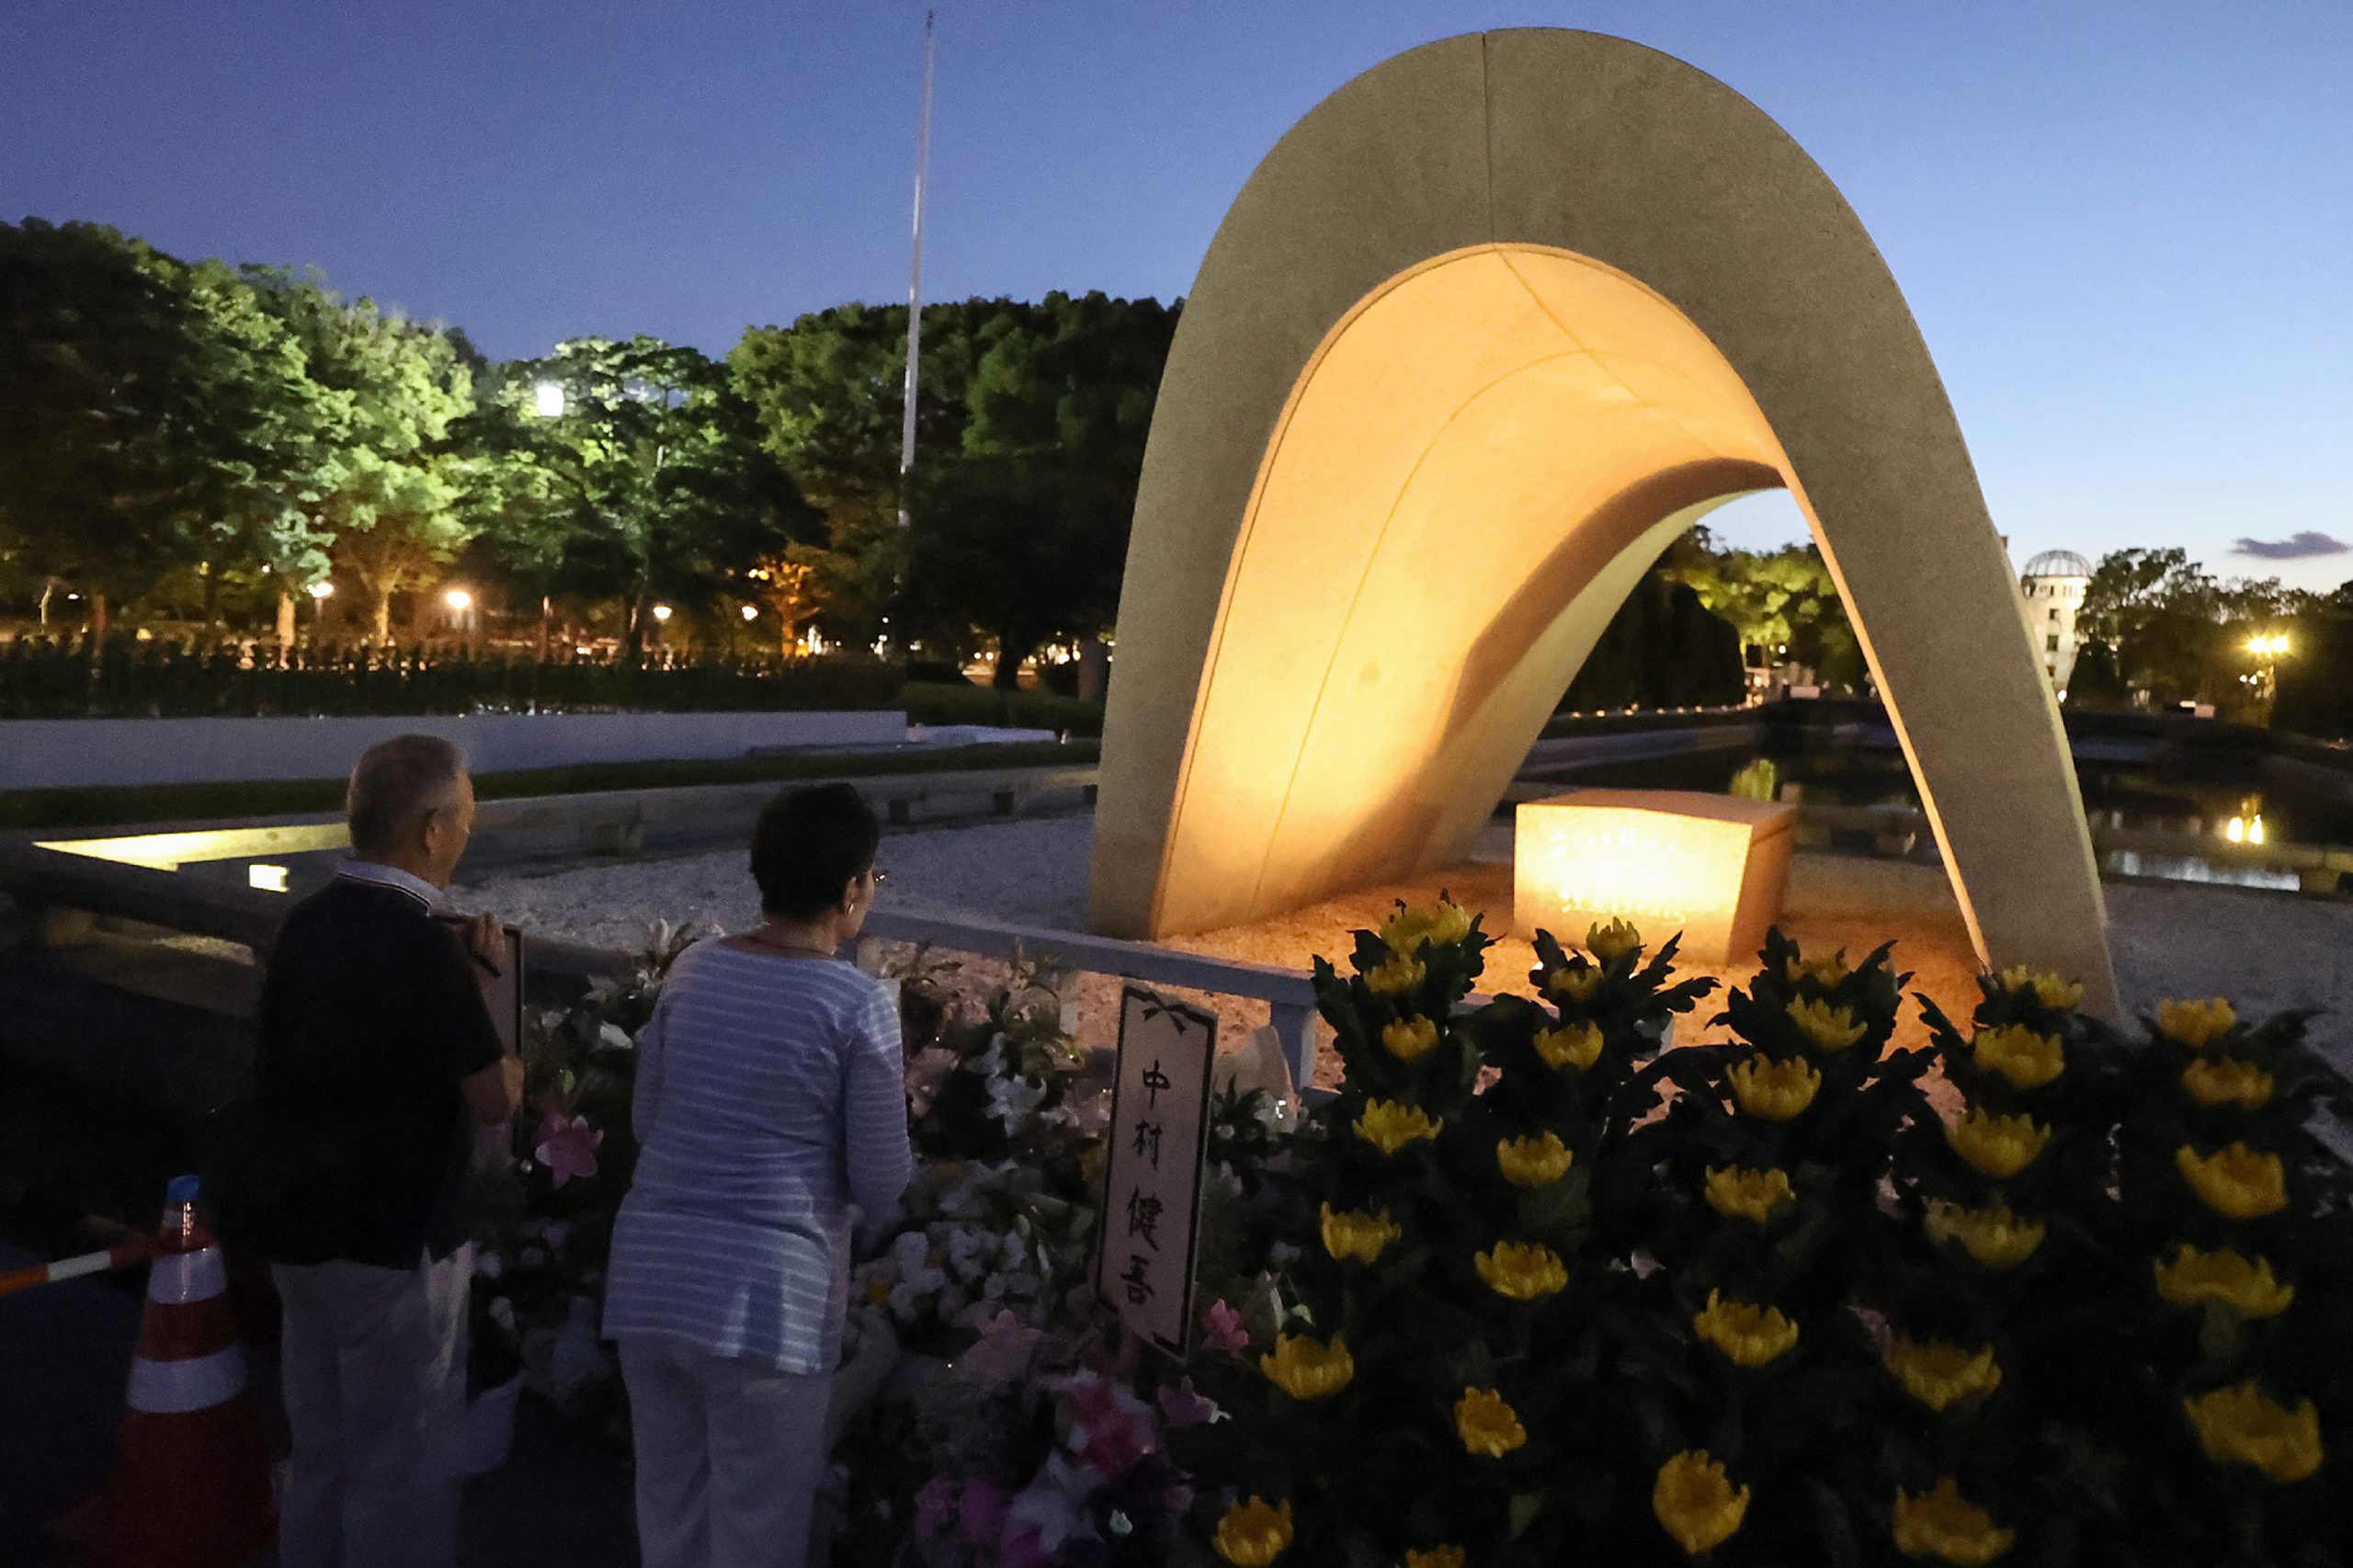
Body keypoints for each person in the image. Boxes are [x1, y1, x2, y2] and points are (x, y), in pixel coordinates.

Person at [603, 782, 913, 1568]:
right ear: (849, 890)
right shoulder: (857, 1004)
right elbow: (882, 1179)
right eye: (872, 878)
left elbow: (648, 1122)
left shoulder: (693, 972)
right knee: (757, 1529)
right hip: (768, 1299)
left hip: (651, 1275)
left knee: (668, 1510)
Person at [245, 734, 523, 1568]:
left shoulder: (305, 923)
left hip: (300, 1224)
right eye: (466, 819)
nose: (469, 835)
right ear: (432, 831)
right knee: (400, 1463)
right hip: (397, 1239)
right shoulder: (426, 944)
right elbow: (494, 1097)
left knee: (319, 1451)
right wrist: (491, 988)